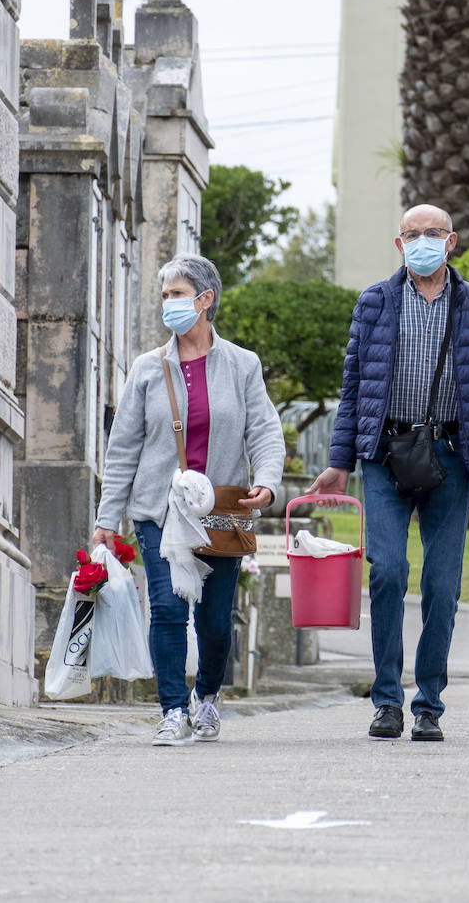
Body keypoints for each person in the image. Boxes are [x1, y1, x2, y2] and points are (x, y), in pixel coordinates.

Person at [307, 204, 469, 742]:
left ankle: (429, 703)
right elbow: (354, 389)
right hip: (384, 455)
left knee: (442, 584)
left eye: (434, 233)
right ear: (398, 243)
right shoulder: (375, 303)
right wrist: (339, 462)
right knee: (386, 571)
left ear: (451, 242)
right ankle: (386, 700)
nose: (424, 241)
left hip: (453, 455)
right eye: (413, 234)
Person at [93, 252, 284, 746]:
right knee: (169, 608)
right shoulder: (146, 369)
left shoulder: (243, 365)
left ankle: (208, 697)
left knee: (216, 620)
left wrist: (266, 480)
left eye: (177, 295)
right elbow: (123, 449)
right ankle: (173, 708)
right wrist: (107, 519)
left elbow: (264, 430)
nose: (169, 305)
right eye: (165, 296)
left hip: (222, 508)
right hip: (159, 508)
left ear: (205, 299)